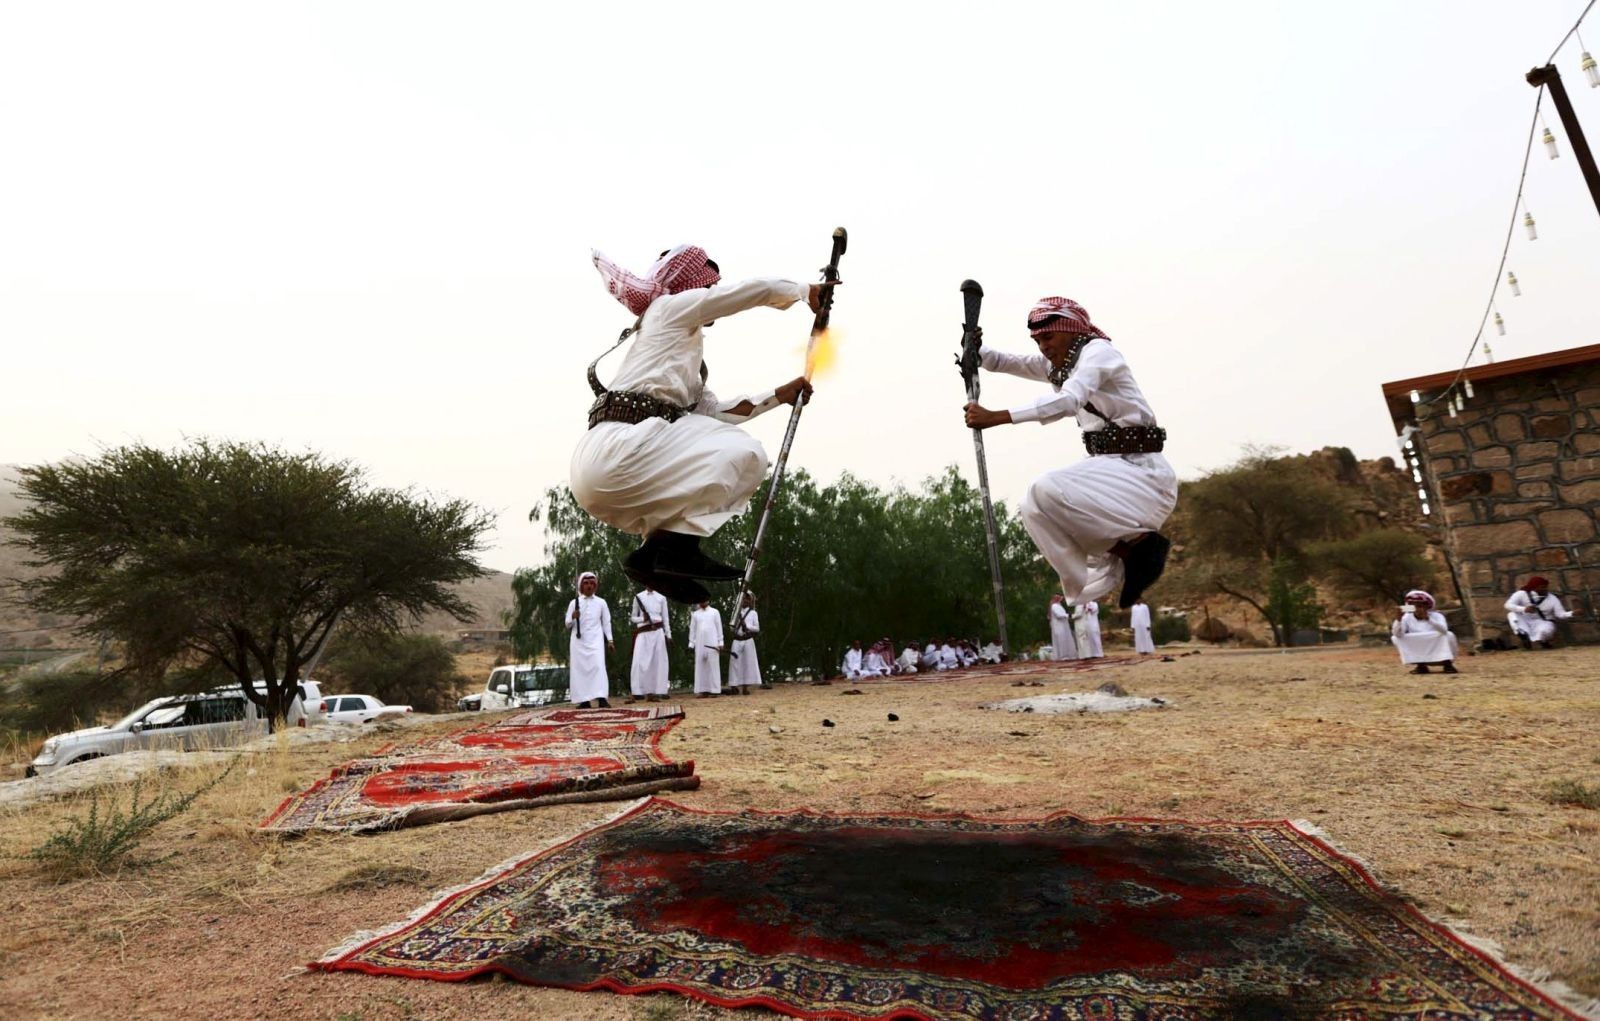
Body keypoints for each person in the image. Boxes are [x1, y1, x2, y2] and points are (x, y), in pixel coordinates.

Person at [573, 245, 828, 604]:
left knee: (730, 449)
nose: (711, 294)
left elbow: (717, 414)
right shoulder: (668, 308)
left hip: (599, 473)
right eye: (707, 287)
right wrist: (802, 291)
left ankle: (658, 555)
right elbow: (742, 294)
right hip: (623, 449)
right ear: (689, 285)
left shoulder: (682, 361)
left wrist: (778, 395)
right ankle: (672, 550)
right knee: (746, 453)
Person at [963, 297, 1175, 609]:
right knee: (1032, 508)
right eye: (1037, 341)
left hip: (1143, 476)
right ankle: (1127, 553)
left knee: (1046, 488)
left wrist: (997, 417)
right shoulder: (1060, 364)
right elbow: (1006, 361)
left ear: (1071, 330)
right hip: (1109, 470)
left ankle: (1138, 547)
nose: (1043, 347)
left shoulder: (1099, 354)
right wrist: (975, 351)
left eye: (1048, 337)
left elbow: (1068, 401)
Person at [566, 571, 615, 708]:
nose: (589, 586)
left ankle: (602, 698)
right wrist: (573, 616)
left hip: (596, 641)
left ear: (595, 586)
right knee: (579, 670)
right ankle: (584, 701)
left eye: (592, 584)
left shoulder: (601, 602)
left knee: (598, 667)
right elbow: (567, 624)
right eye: (586, 583)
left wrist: (610, 640)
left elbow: (606, 622)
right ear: (581, 586)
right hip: (578, 642)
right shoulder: (574, 603)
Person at [1391, 590, 1459, 674]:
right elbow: (1397, 634)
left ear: (1426, 606)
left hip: (1435, 643)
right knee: (1396, 638)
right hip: (1419, 643)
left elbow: (1444, 630)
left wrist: (1428, 619)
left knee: (1449, 635)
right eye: (1414, 605)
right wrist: (1398, 620)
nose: (1417, 608)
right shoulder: (1407, 617)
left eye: (1420, 606)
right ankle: (1421, 665)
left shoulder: (1437, 616)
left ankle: (1447, 664)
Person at [628, 583, 671, 703]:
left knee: (657, 663)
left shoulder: (661, 597)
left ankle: (653, 693)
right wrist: (643, 619)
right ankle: (637, 691)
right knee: (639, 662)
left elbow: (665, 618)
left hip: (657, 632)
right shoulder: (638, 597)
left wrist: (668, 635)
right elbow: (633, 618)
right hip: (643, 633)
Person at [1505, 576, 1574, 649]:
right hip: (1525, 621)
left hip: (1543, 622)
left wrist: (1572, 613)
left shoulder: (1552, 598)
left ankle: (1543, 641)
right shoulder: (1521, 594)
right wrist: (1524, 609)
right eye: (1542, 587)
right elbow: (1507, 605)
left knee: (1545, 630)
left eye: (1546, 587)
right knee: (1512, 615)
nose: (1545, 589)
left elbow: (1560, 614)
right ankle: (1524, 637)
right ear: (1534, 587)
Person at [688, 599, 725, 697]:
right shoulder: (695, 614)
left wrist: (721, 642)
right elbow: (692, 630)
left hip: (712, 642)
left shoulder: (715, 612)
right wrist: (691, 644)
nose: (702, 602)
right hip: (700, 643)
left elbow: (719, 628)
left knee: (713, 665)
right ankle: (703, 690)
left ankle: (714, 690)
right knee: (701, 665)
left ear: (708, 600)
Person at [727, 592, 762, 695]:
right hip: (737, 639)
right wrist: (737, 623)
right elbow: (731, 627)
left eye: (747, 599)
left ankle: (745, 687)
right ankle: (733, 686)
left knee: (747, 663)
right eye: (743, 599)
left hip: (748, 639)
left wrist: (746, 626)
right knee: (734, 663)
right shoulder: (735, 612)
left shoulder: (753, 613)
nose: (745, 600)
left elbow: (757, 628)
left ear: (750, 601)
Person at [1049, 595, 1079, 661]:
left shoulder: (1059, 606)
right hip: (1058, 626)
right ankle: (1063, 656)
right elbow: (1059, 615)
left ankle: (1069, 655)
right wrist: (1069, 615)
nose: (1061, 599)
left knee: (1066, 639)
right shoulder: (1054, 606)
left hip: (1063, 625)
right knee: (1061, 640)